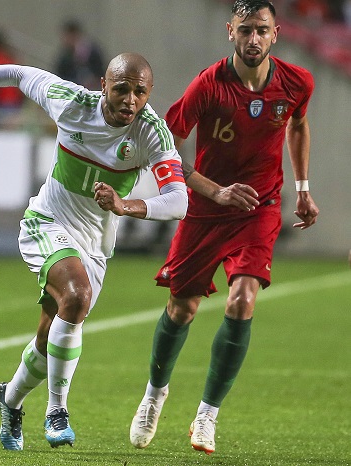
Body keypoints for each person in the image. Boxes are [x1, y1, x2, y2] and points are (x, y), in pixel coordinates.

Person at [0, 54, 189, 450]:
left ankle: (10, 398)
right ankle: (57, 410)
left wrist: (128, 207)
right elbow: (18, 73)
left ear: (149, 93)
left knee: (48, 337)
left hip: (95, 245)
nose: (130, 99)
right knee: (77, 296)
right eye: (121, 88)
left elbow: (179, 201)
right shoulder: (71, 102)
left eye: (139, 92)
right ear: (104, 85)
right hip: (48, 222)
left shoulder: (152, 133)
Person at [128, 0, 319, 455]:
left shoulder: (297, 82)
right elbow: (165, 146)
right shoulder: (209, 86)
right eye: (246, 30)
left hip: (260, 207)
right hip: (206, 209)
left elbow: (298, 125)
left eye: (262, 30)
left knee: (242, 299)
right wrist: (213, 191)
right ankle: (155, 394)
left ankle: (207, 416)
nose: (253, 39)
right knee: (182, 309)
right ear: (230, 31)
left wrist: (304, 187)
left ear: (276, 34)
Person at [54, 19, 106, 91]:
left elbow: (101, 70)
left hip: (94, 90)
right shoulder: (64, 57)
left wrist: (94, 81)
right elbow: (60, 76)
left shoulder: (93, 51)